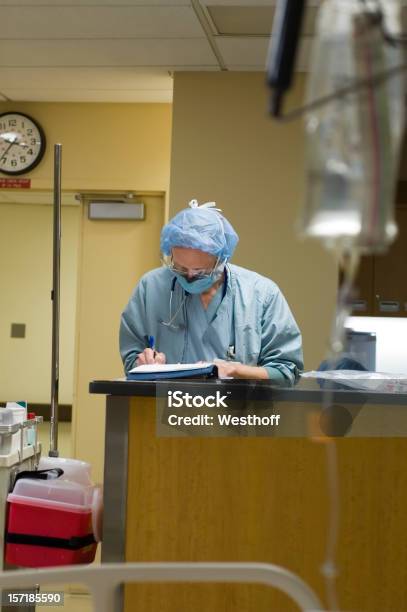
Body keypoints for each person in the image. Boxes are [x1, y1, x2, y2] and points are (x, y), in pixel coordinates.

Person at [120, 199, 303, 385]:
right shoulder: (151, 287)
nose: (189, 276)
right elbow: (132, 357)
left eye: (200, 271)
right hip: (169, 409)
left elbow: (287, 370)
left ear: (221, 258)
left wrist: (236, 370)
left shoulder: (262, 294)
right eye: (180, 268)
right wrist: (143, 362)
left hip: (240, 412)